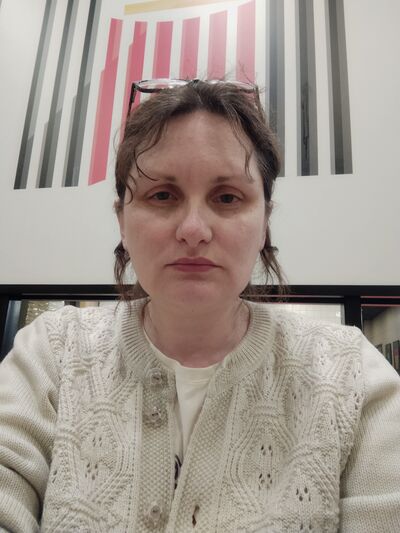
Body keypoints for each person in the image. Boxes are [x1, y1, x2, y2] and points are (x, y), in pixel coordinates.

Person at [0, 79, 399, 533]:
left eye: (227, 197)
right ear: (122, 221)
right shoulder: (51, 354)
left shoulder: (352, 376)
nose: (193, 229)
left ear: (264, 222)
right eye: (162, 195)